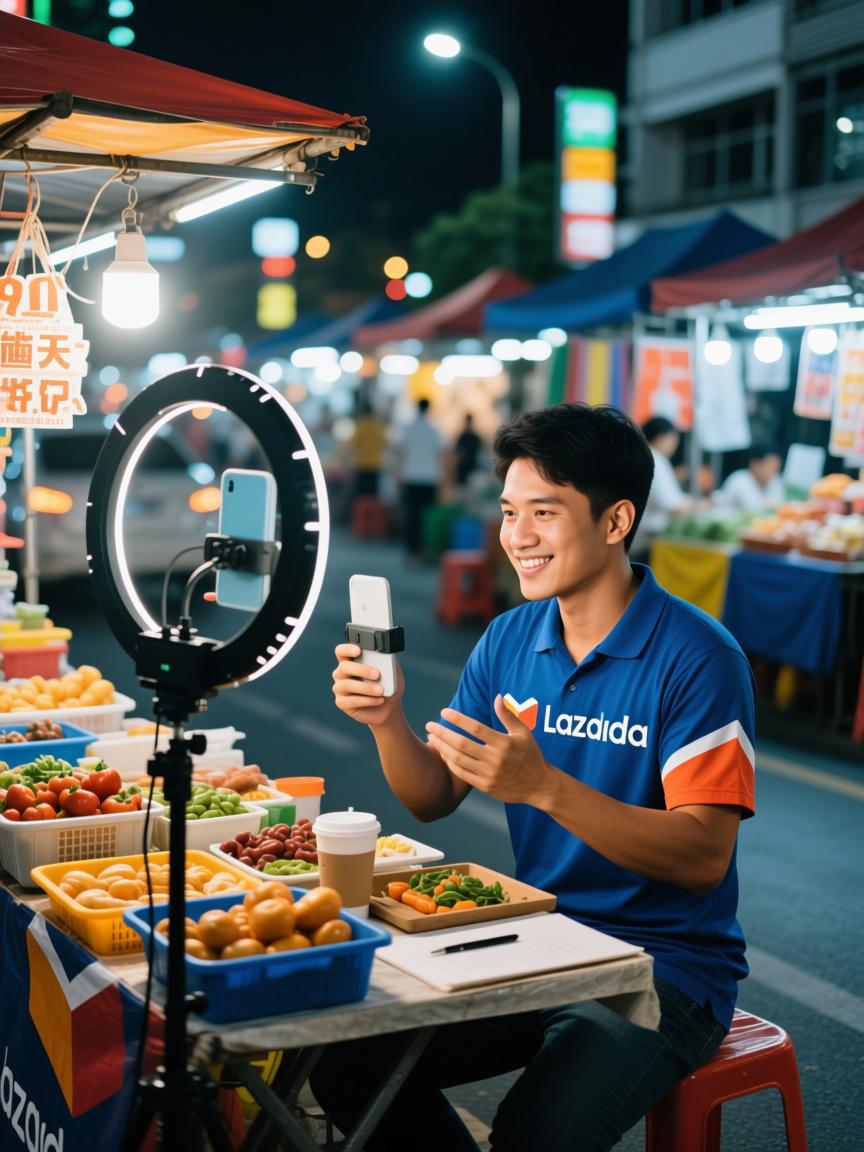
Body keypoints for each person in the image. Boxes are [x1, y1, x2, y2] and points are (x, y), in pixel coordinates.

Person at [319, 403, 756, 1152]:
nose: (517, 537)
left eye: (544, 513)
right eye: (509, 511)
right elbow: (431, 798)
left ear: (616, 521)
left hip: (665, 969)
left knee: (532, 1135)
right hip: (540, 936)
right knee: (344, 1060)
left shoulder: (699, 657)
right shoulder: (512, 636)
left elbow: (701, 856)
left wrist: (545, 786)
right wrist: (386, 720)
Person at [396, 397, 445, 561]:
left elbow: (401, 453)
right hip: (429, 478)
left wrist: (398, 475)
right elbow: (440, 455)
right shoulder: (434, 430)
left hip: (411, 477)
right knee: (426, 517)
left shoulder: (408, 429)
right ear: (429, 408)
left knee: (411, 515)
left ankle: (411, 550)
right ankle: (423, 550)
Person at [714, 444, 785, 512]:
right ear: (754, 464)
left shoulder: (776, 481)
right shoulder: (738, 480)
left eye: (776, 467)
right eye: (769, 466)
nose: (773, 471)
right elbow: (721, 505)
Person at [350, 396, 388, 498]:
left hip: (361, 464)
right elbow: (385, 444)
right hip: (375, 465)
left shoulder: (360, 426)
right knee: (373, 495)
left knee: (362, 495)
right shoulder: (378, 427)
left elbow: (352, 445)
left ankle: (362, 513)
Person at [453, 412, 483, 487]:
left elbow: (457, 451)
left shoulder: (465, 436)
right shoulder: (471, 436)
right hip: (467, 466)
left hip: (468, 465)